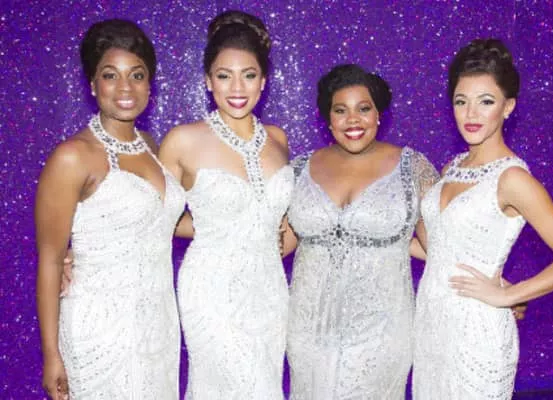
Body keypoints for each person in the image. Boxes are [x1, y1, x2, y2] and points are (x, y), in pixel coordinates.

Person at [412, 38, 553, 399]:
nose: (471, 114)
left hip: (479, 330)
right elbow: (439, 250)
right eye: (461, 101)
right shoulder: (451, 169)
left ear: (508, 107)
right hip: (431, 325)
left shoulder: (512, 179)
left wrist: (510, 294)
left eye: (486, 102)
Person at [35, 20, 184, 400]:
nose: (125, 87)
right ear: (92, 84)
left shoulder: (152, 146)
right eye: (110, 75)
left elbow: (162, 222)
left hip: (158, 327)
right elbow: (50, 260)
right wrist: (51, 355)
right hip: (98, 331)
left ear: (150, 85)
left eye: (137, 75)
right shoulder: (72, 157)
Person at [281, 64, 438, 399]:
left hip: (382, 332)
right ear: (328, 118)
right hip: (308, 331)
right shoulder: (299, 169)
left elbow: (443, 245)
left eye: (363, 108)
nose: (353, 120)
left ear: (379, 114)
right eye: (341, 110)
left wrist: (493, 283)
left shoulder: (412, 168)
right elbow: (278, 243)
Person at [158, 10, 293, 399]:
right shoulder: (182, 141)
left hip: (270, 291)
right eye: (223, 75)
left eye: (248, 75)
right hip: (210, 292)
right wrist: (78, 257)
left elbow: (281, 221)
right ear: (207, 80)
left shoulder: (279, 139)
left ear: (263, 81)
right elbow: (152, 220)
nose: (237, 87)